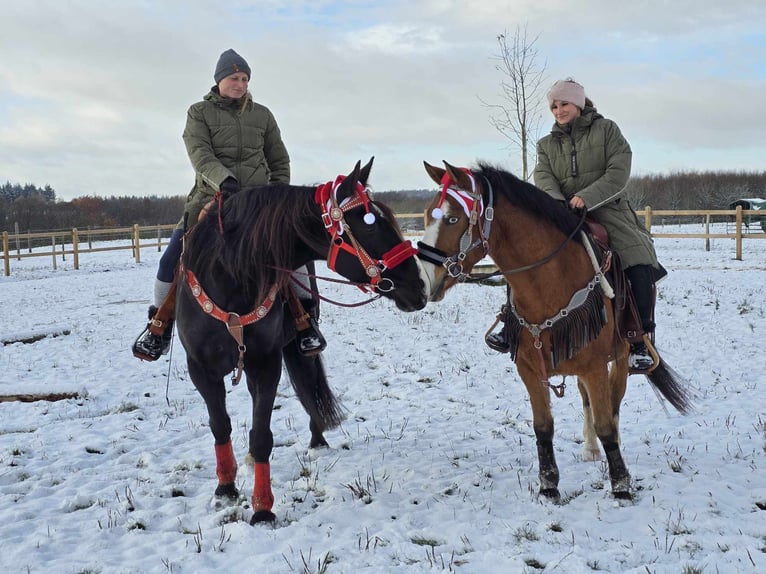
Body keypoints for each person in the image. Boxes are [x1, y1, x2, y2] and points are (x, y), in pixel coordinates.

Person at [132, 48, 325, 361]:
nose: (240, 84)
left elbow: (279, 158)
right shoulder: (198, 113)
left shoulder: (262, 115)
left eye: (245, 78)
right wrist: (224, 182)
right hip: (212, 198)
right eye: (234, 78)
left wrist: (275, 196)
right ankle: (159, 326)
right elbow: (200, 155)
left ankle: (307, 322)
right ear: (220, 80)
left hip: (260, 203)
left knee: (297, 253)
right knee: (171, 258)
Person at [486, 78, 663, 371]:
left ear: (579, 104)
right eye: (554, 106)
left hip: (607, 209)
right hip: (560, 212)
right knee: (523, 255)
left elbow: (618, 171)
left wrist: (586, 197)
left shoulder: (607, 130)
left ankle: (639, 339)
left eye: (564, 104)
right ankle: (510, 324)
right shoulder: (546, 144)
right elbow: (542, 176)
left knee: (637, 257)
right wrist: (555, 203)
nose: (558, 110)